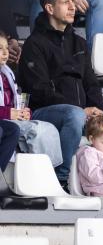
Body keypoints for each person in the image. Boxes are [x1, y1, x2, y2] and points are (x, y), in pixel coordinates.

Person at [18, 0, 103, 184]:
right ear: (50, 8)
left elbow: (91, 82)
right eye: (66, 2)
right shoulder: (34, 44)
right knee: (74, 114)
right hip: (48, 112)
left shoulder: (79, 42)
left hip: (81, 112)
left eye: (73, 1)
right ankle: (63, 179)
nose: (73, 7)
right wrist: (81, 110)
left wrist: (98, 110)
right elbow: (39, 90)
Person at [0, 31, 62, 166]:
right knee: (37, 131)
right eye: (0, 48)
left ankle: (52, 172)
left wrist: (23, 112)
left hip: (11, 119)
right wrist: (9, 113)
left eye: (6, 48)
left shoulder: (7, 74)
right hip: (4, 120)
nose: (5, 53)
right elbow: (7, 111)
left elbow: (15, 101)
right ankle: (42, 171)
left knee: (49, 128)